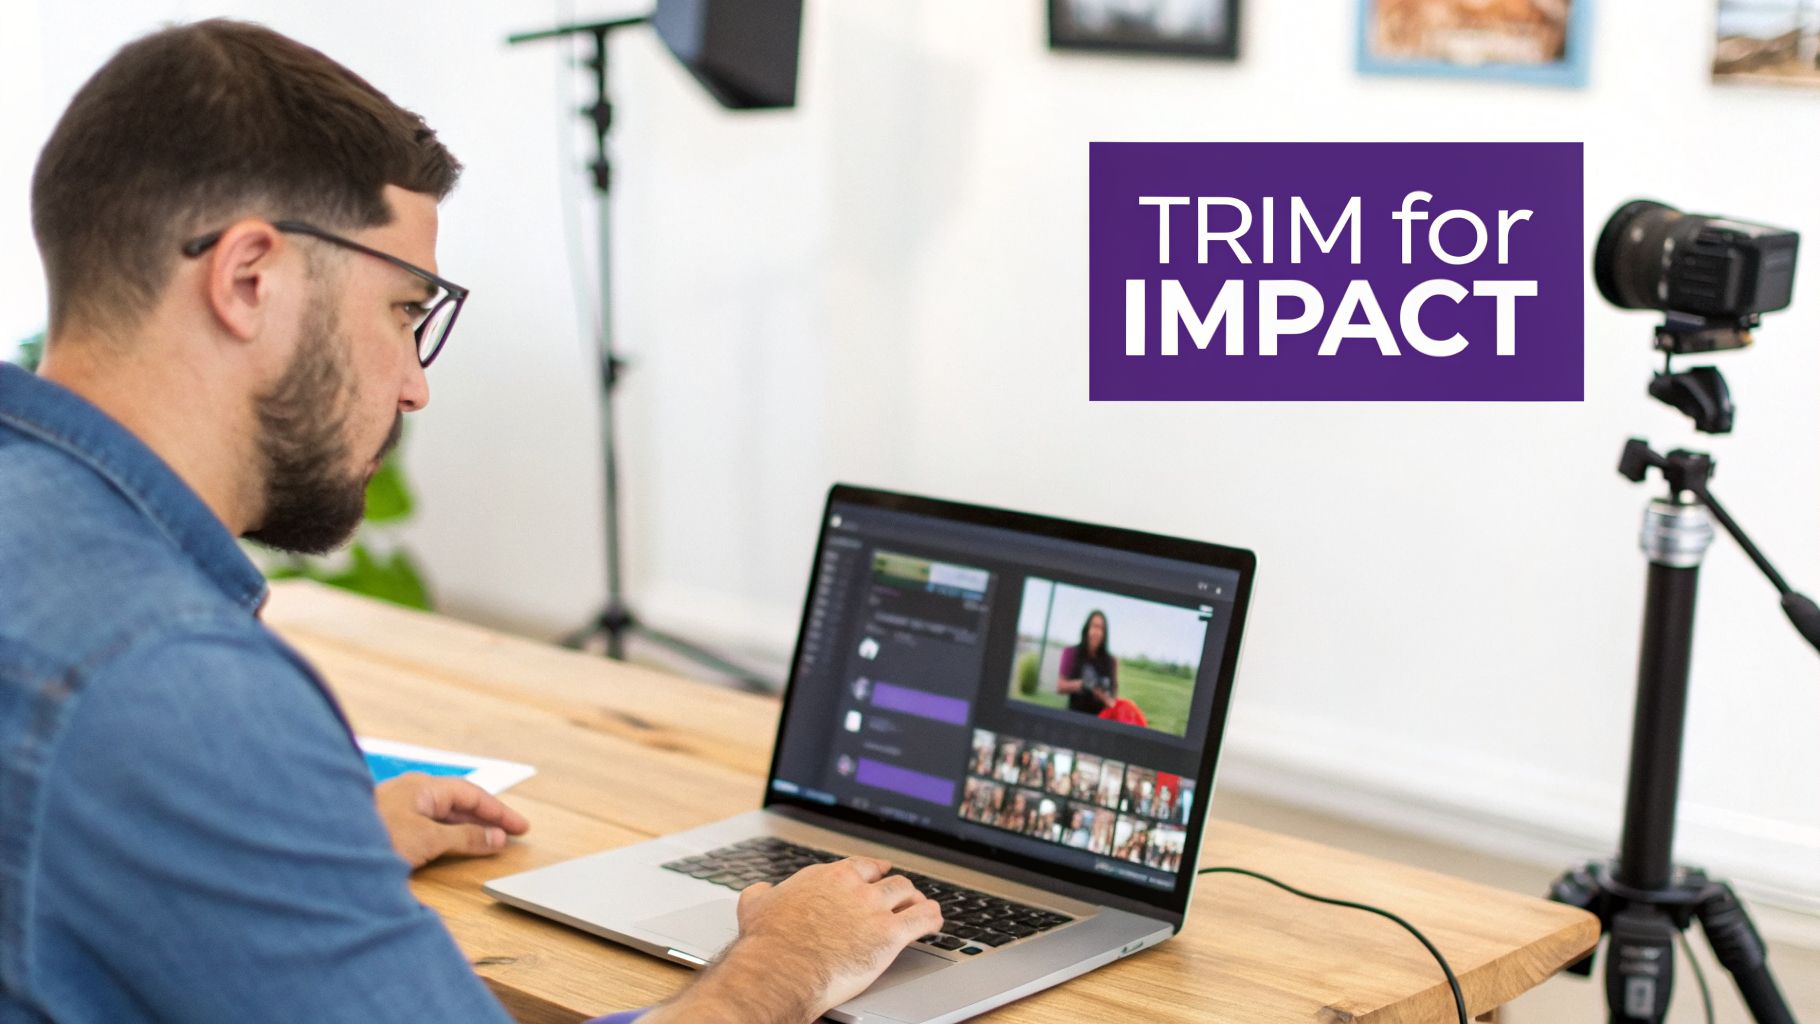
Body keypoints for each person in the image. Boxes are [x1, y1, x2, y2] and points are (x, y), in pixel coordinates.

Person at [0, 20, 939, 1024]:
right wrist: (783, 963)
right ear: (247, 279)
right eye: (407, 310)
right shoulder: (173, 679)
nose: (413, 386)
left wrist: (290, 858)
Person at [1057, 609, 1119, 714]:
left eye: (1101, 629)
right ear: (1087, 629)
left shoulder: (1111, 661)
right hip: (1074, 714)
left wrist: (1102, 696)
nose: (1097, 632)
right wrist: (1082, 684)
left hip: (1099, 720)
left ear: (1105, 634)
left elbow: (1113, 702)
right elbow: (1060, 686)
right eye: (1094, 626)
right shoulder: (1071, 652)